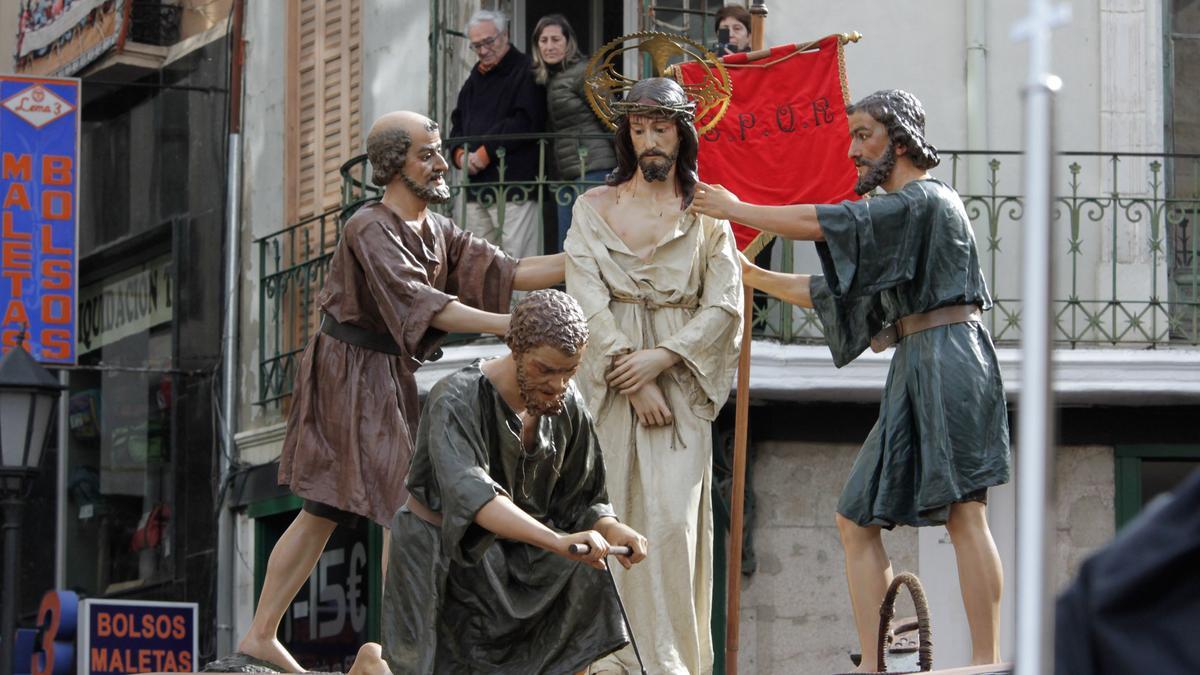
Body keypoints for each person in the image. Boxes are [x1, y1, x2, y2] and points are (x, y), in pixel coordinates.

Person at [220, 111, 567, 673]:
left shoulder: (438, 230)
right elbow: (425, 305)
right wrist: (514, 327)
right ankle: (396, 652)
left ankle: (264, 634)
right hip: (348, 367)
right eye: (425, 154)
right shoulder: (369, 227)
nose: (438, 163)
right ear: (392, 165)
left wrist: (588, 261)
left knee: (324, 510)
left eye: (438, 152)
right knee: (405, 503)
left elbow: (507, 269)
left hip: (385, 372)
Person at [691, 89, 1011, 670]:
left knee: (965, 510)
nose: (854, 151)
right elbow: (829, 294)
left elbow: (823, 221)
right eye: (853, 139)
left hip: (951, 354)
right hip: (916, 359)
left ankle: (989, 662)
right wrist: (749, 274)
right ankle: (877, 658)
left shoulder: (923, 203)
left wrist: (735, 209)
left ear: (902, 138)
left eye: (864, 135)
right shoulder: (899, 220)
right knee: (856, 517)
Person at [565, 77, 743, 674]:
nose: (649, 140)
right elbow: (584, 298)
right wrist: (629, 376)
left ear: (683, 132)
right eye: (639, 128)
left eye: (660, 127)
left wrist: (661, 360)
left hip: (680, 387)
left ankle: (668, 664)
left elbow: (725, 305)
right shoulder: (594, 209)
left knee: (672, 526)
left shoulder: (708, 214)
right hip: (613, 391)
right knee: (606, 516)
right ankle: (611, 661)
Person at [382, 289, 649, 674]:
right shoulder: (455, 398)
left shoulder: (566, 403)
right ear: (516, 350)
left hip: (516, 559)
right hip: (444, 552)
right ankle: (372, 667)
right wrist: (558, 542)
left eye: (568, 371)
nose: (558, 383)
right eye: (545, 369)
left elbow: (584, 501)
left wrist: (611, 527)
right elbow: (476, 498)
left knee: (587, 572)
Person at [450, 9, 547, 259]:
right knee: (477, 265)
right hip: (476, 188)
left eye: (488, 42)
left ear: (505, 35)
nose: (482, 50)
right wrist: (459, 155)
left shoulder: (526, 69)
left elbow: (525, 121)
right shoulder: (474, 79)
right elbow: (458, 122)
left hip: (515, 185)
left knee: (519, 262)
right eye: (476, 46)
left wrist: (485, 153)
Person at [530, 13, 618, 253]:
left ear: (569, 42)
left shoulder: (586, 71)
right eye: (544, 40)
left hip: (593, 168)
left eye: (556, 39)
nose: (550, 46)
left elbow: (612, 118)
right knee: (568, 246)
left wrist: (626, 167)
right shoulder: (547, 78)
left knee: (592, 243)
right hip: (566, 172)